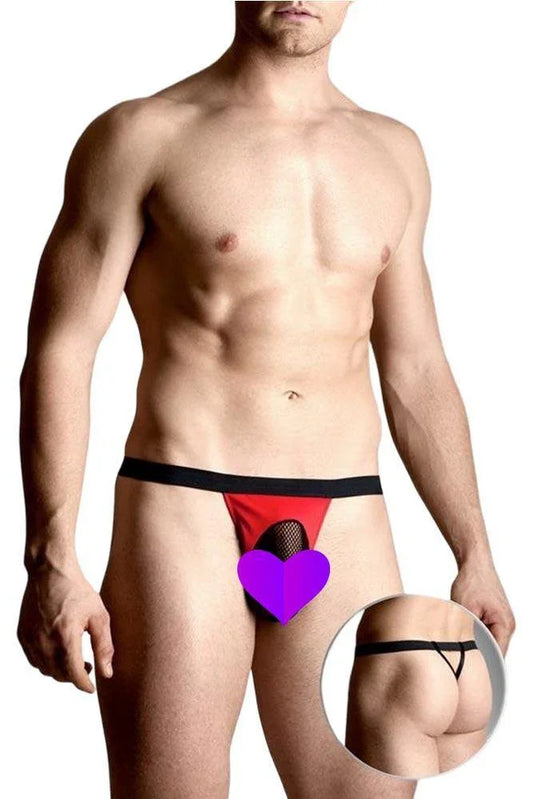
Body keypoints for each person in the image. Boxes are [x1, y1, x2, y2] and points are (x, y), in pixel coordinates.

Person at [17, 2, 514, 797]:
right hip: (184, 505)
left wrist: (474, 550)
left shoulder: (394, 152)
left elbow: (415, 365)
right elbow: (62, 348)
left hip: (347, 511)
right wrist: (52, 556)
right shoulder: (143, 135)